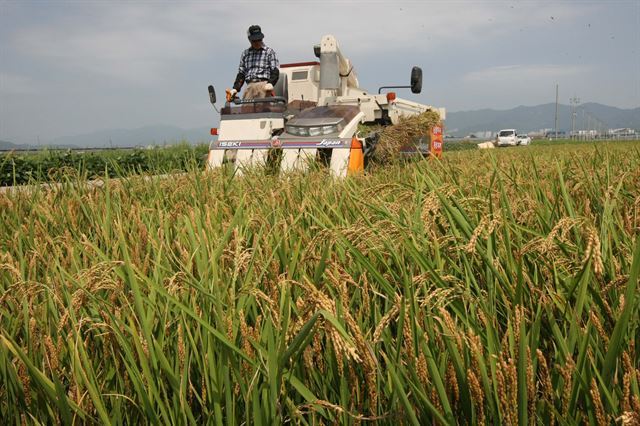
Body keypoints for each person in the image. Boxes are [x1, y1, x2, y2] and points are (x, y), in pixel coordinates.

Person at [230, 25, 279, 100]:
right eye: (254, 40)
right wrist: (235, 88)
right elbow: (241, 74)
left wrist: (270, 83)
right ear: (249, 40)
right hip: (249, 87)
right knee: (247, 110)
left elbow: (275, 70)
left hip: (264, 87)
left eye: (259, 39)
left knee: (263, 110)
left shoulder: (269, 52)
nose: (257, 42)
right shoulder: (245, 54)